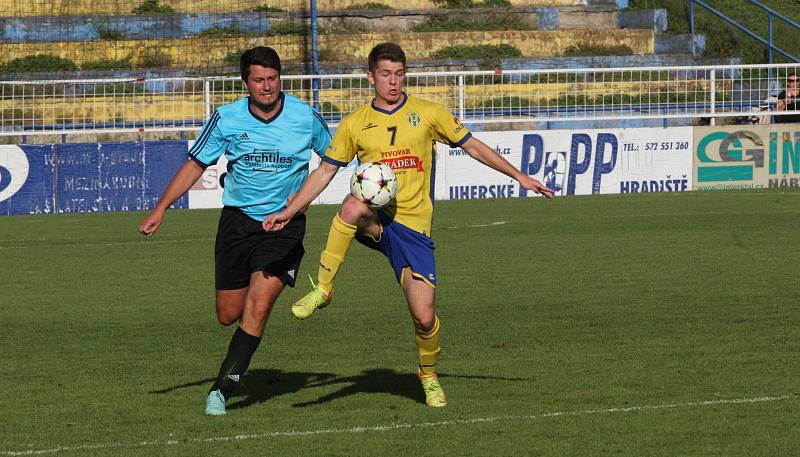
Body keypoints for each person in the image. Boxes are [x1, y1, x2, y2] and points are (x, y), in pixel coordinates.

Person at [263, 42, 554, 407]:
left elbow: (473, 146)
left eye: (399, 74)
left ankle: (428, 374)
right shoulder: (355, 124)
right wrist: (290, 211)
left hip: (414, 230)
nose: (393, 81)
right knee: (352, 205)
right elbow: (324, 171)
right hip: (378, 220)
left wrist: (520, 176)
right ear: (371, 77)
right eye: (385, 74)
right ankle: (323, 288)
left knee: (424, 317)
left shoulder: (428, 114)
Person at [138, 46, 332, 416]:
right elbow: (196, 164)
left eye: (273, 79)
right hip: (237, 224)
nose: (267, 86)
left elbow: (335, 157)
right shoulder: (226, 118)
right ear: (245, 83)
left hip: (284, 225)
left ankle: (221, 390)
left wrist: (300, 201)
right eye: (258, 80)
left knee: (258, 306)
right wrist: (161, 209)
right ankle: (245, 334)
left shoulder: (304, 116)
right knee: (229, 314)